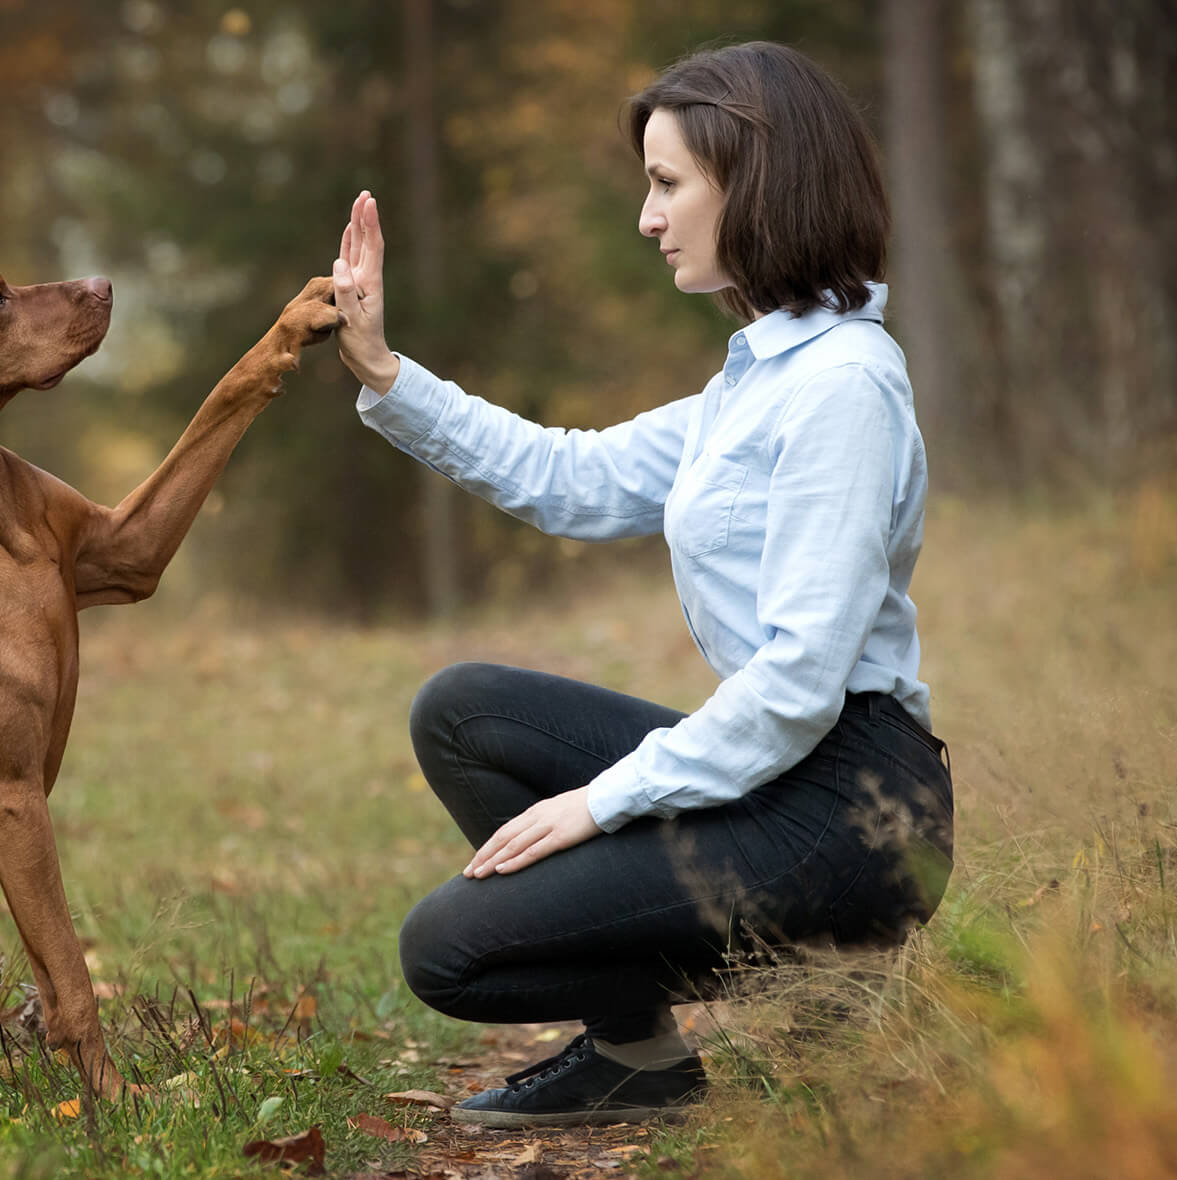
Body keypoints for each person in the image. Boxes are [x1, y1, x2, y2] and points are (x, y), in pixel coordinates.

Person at [326, 42, 955, 1129]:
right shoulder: (755, 382)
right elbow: (567, 478)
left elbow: (802, 679)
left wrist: (600, 802)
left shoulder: (844, 386)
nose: (646, 216)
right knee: (467, 711)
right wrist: (386, 373)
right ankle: (637, 1056)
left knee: (448, 954)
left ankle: (830, 971)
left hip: (856, 812)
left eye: (667, 184)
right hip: (785, 777)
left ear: (752, 181)